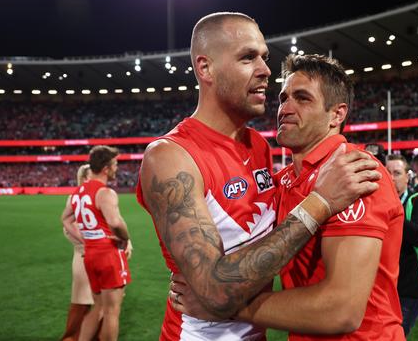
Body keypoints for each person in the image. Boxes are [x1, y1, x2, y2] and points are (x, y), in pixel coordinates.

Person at [136, 13, 381, 340]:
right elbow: (214, 291)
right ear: (205, 68)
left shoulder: (259, 147)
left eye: (264, 57)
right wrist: (320, 202)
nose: (266, 70)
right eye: (247, 57)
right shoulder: (170, 156)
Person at [172, 54, 405, 339]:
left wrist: (223, 305)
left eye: (303, 98)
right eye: (284, 98)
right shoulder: (282, 181)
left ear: (337, 114)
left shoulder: (355, 173)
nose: (285, 108)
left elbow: (340, 311)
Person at [61, 146, 132, 341]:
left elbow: (66, 219)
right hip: (108, 254)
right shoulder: (105, 193)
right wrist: (125, 238)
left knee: (98, 307)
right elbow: (115, 222)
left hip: (90, 254)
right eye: (115, 164)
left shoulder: (78, 192)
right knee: (111, 313)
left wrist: (86, 238)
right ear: (106, 168)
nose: (117, 169)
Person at [386, 154, 418, 336]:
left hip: (409, 286)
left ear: (408, 176)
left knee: (396, 334)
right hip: (381, 285)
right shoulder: (375, 202)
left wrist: (390, 210)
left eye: (397, 173)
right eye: (387, 172)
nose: (391, 177)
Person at [61, 164, 96, 341]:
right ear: (83, 178)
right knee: (82, 302)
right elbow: (68, 229)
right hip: (84, 257)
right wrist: (87, 242)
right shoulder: (75, 198)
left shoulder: (98, 195)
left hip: (101, 256)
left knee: (100, 303)